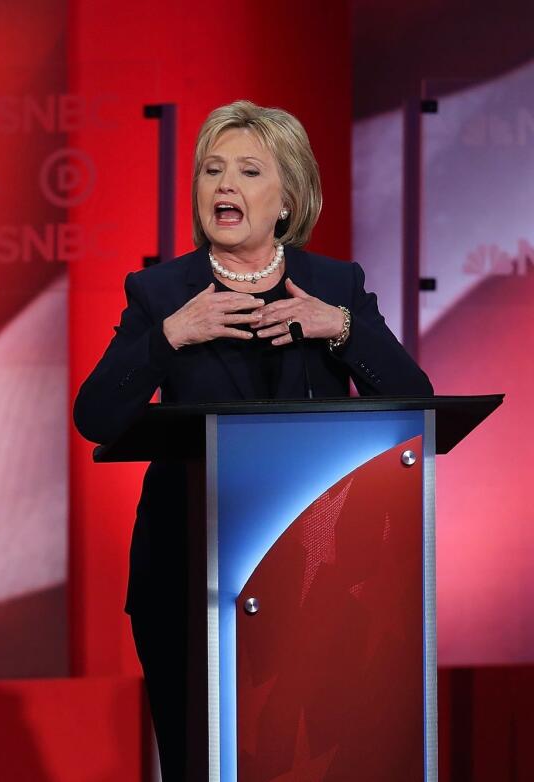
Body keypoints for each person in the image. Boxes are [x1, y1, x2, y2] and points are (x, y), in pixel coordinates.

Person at [73, 100, 433, 781]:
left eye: (247, 170)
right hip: (188, 571)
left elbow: (418, 399)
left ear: (287, 200)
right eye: (212, 171)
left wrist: (343, 329)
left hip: (317, 576)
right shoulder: (162, 292)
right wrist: (171, 335)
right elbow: (95, 415)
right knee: (198, 757)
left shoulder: (336, 286)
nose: (224, 185)